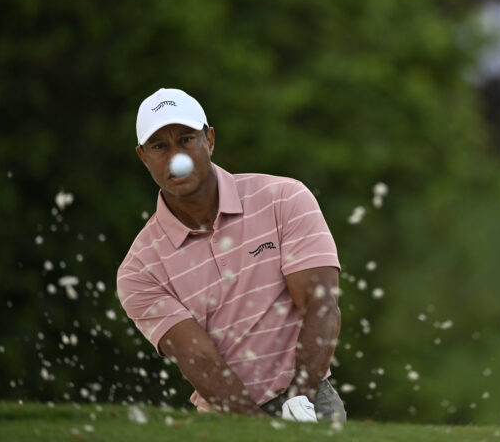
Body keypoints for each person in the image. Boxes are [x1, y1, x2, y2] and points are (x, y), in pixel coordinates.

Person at [116, 88, 346, 422]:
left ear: (209, 140)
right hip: (225, 418)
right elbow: (199, 359)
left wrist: (302, 398)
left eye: (186, 140)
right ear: (143, 157)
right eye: (159, 146)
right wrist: (260, 429)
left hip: (312, 399)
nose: (176, 157)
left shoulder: (283, 198)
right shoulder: (140, 269)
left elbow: (320, 304)